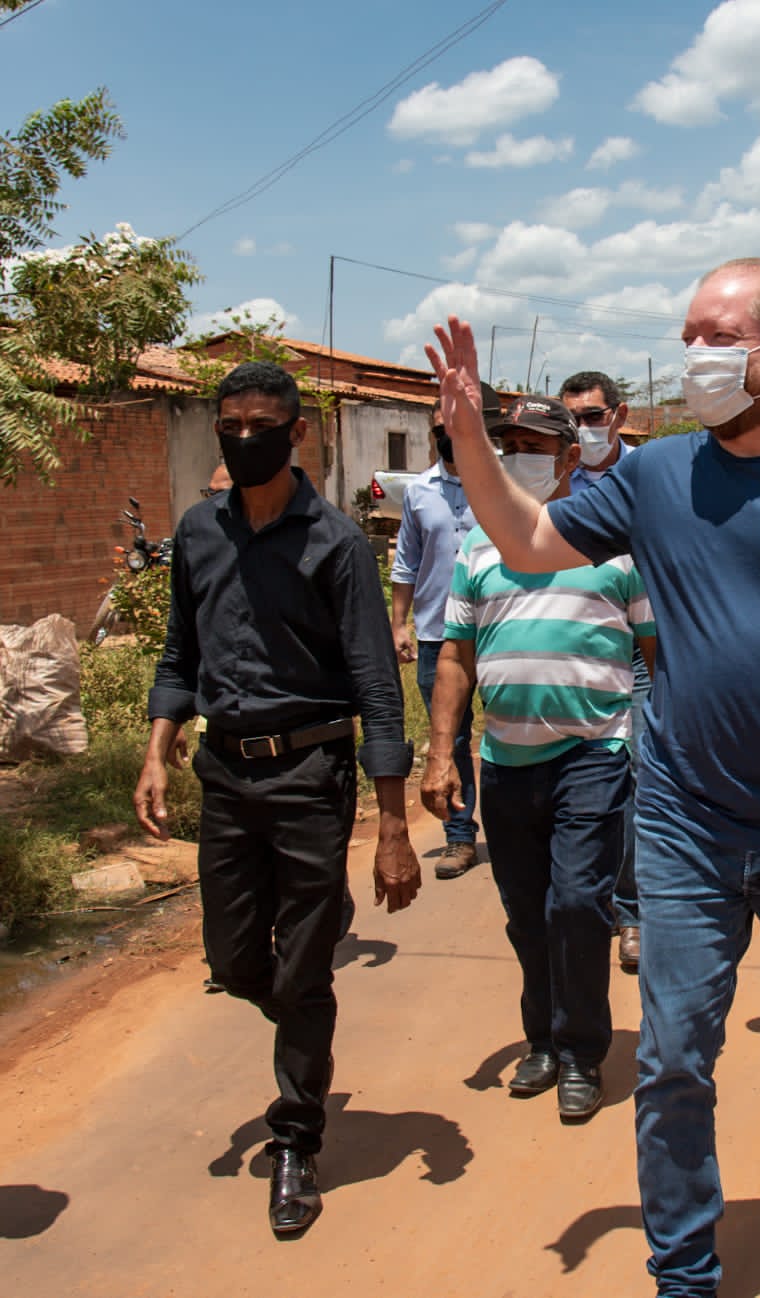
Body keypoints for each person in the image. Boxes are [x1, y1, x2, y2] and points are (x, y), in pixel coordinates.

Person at [426, 256, 760, 1297]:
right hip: (683, 819)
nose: (695, 356)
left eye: (718, 337)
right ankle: (684, 1268)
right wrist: (472, 434)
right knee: (670, 1054)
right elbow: (529, 541)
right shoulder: (656, 475)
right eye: (689, 335)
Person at [134, 361, 421, 1236]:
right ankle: (304, 997)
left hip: (309, 778)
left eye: (262, 423)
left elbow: (376, 684)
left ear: (297, 433)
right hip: (225, 776)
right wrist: (158, 748)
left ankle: (296, 1137)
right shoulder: (198, 532)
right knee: (233, 961)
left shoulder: (333, 542)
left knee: (299, 976)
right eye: (230, 422)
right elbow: (180, 654)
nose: (243, 435)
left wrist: (394, 825)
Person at [422, 394, 655, 1120]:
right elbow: (455, 657)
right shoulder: (476, 547)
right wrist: (441, 754)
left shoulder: (616, 544)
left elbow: (656, 651)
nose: (518, 453)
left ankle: (583, 1050)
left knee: (579, 903)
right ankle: (543, 1041)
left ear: (564, 458)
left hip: (593, 751)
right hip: (507, 759)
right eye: (505, 443)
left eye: (532, 443)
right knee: (526, 913)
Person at [559, 370, 648, 974]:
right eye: (573, 421)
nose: (584, 430)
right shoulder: (548, 481)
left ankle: (633, 910)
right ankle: (579, 897)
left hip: (644, 643)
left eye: (593, 417)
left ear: (617, 417)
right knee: (581, 775)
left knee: (638, 771)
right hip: (580, 642)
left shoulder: (651, 476)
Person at [391, 400, 480, 879]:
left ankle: (521, 827)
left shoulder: (502, 481)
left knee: (512, 729)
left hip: (497, 628)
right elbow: (407, 561)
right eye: (441, 427)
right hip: (437, 631)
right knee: (451, 736)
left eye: (457, 425)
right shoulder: (419, 492)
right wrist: (398, 622)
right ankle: (460, 838)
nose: (448, 434)